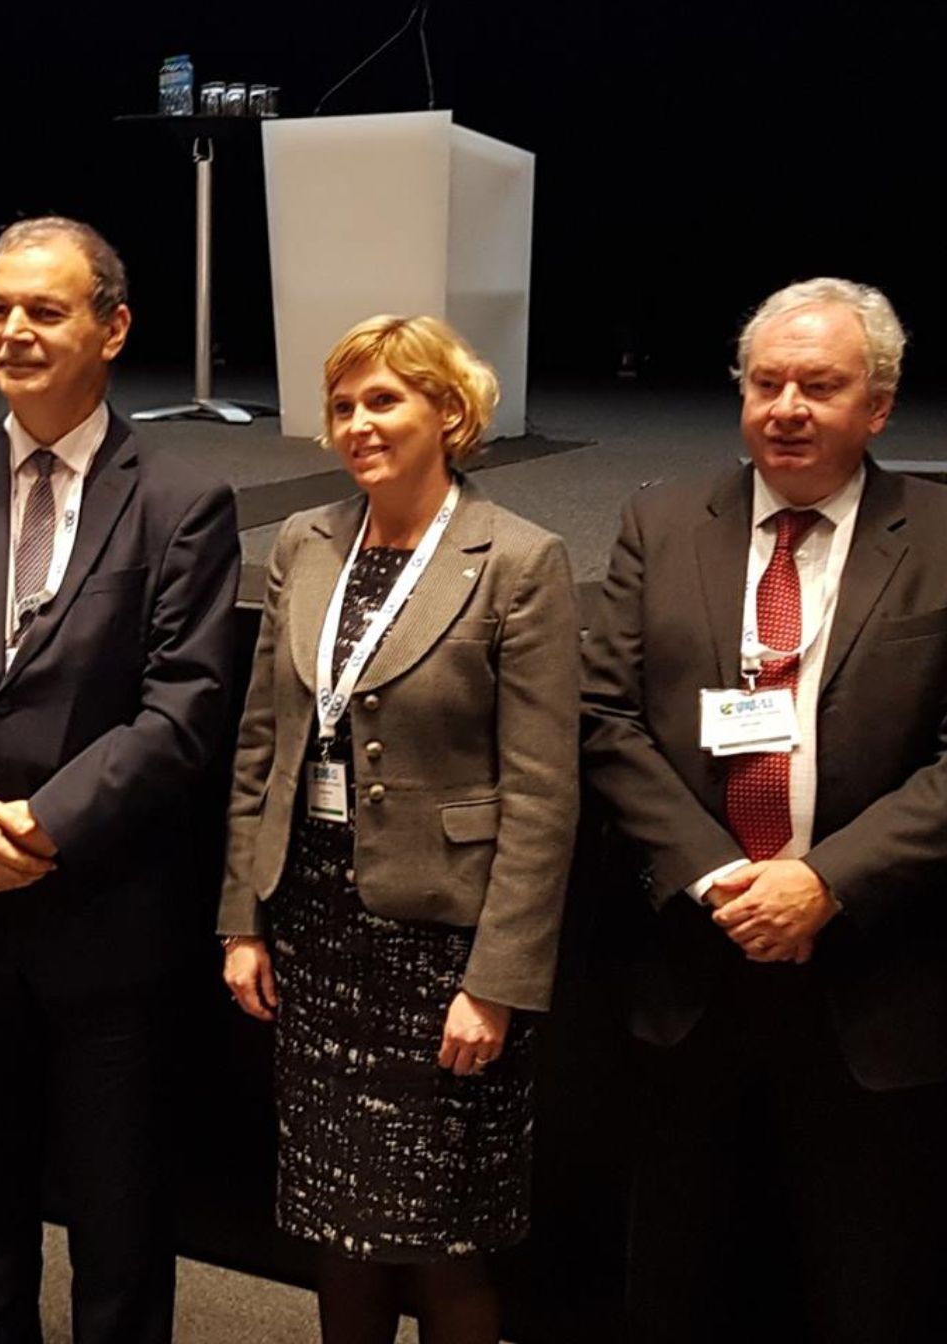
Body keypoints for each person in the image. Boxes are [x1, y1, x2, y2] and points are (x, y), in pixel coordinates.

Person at [578, 278, 947, 1341]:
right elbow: (605, 718)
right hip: (694, 957)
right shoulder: (663, 520)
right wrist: (724, 877)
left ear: (880, 405)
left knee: (861, 1277)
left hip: (867, 972)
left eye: (819, 385)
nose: (786, 407)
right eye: (765, 383)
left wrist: (824, 883)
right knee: (676, 1274)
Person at [0, 216, 247, 1344]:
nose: (14, 331)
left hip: (106, 922)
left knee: (120, 1232)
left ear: (113, 328)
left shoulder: (181, 498)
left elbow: (185, 709)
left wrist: (39, 825)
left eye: (45, 310)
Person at [218, 315, 578, 1344]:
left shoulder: (517, 560)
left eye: (385, 400)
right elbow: (261, 747)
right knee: (340, 1216)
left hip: (444, 952)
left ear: (449, 413)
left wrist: (497, 982)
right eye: (344, 405)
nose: (359, 424)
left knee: (441, 1234)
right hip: (318, 929)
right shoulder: (305, 542)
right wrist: (243, 917)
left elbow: (544, 795)